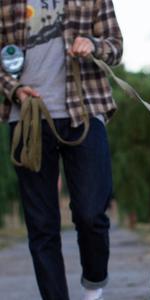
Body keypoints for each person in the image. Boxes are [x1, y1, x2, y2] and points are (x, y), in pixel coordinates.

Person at [0, 1, 123, 299]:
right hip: (28, 116)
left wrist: (93, 44)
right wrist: (13, 89)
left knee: (91, 213)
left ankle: (93, 285)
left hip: (84, 109)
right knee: (42, 225)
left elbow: (116, 47)